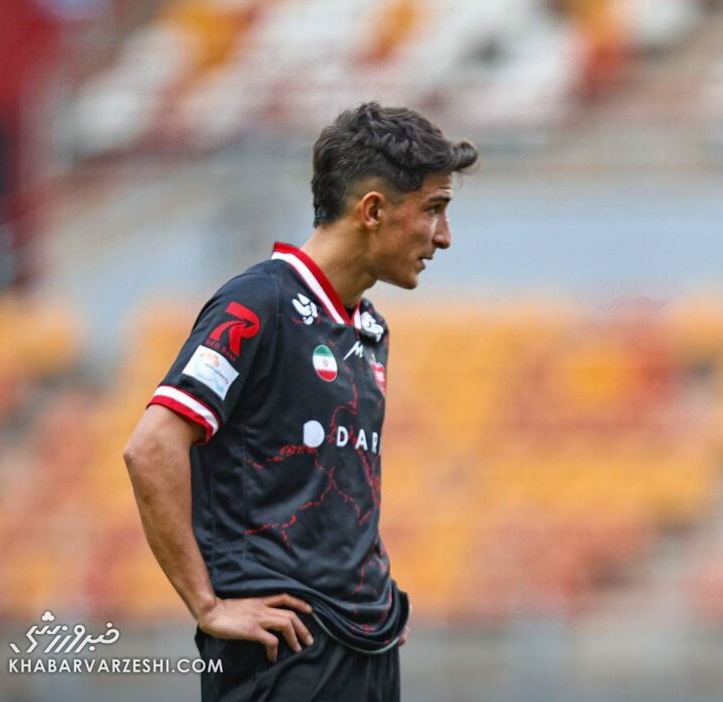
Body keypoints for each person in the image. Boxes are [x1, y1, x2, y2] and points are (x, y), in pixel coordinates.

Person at [123, 102, 477, 702]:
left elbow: (333, 483)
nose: (444, 236)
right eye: (433, 209)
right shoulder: (257, 304)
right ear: (372, 210)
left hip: (367, 642)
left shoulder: (369, 327)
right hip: (283, 647)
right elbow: (151, 448)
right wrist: (207, 605)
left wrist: (372, 593)